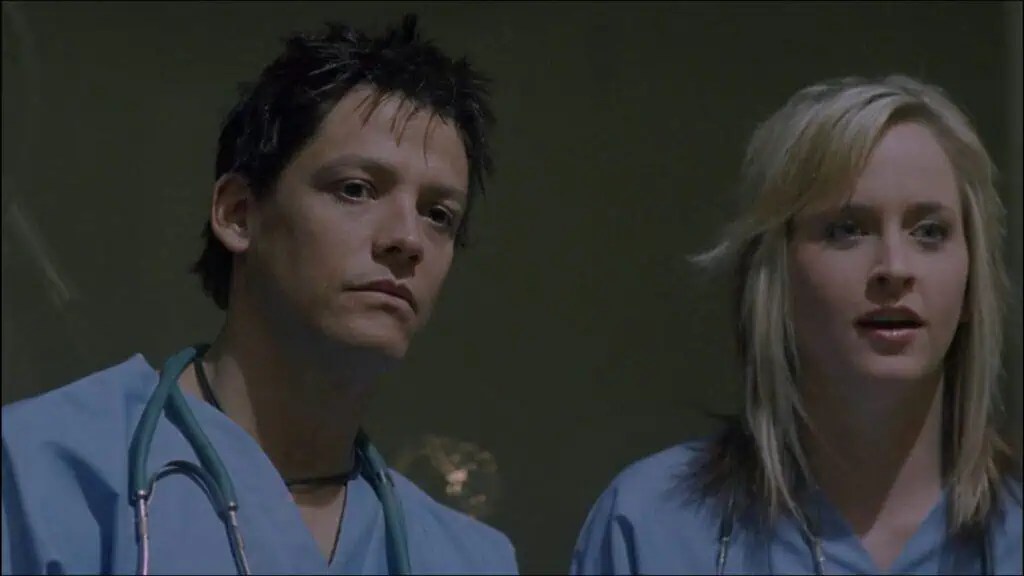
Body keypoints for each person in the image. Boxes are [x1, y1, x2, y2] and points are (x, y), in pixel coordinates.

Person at [2, 14, 519, 575]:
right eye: (356, 189)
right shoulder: (46, 471)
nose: (408, 240)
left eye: (438, 215)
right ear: (238, 214)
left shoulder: (469, 560)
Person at [570, 75, 1022, 575]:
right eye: (847, 230)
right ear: (775, 276)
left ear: (972, 283)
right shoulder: (648, 526)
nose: (894, 267)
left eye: (930, 232)